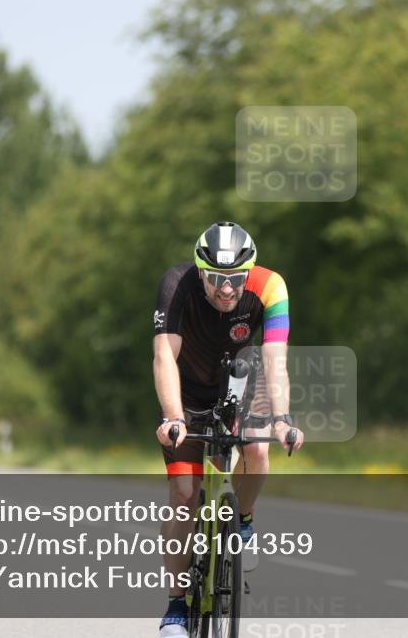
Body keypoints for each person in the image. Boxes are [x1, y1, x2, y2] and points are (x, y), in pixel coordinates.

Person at [153, 221, 303, 637]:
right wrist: (173, 418)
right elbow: (165, 357)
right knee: (184, 496)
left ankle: (244, 520)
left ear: (248, 273)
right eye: (216, 278)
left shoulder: (272, 286)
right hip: (185, 393)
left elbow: (275, 357)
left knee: (257, 451)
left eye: (235, 279)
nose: (225, 289)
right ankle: (177, 606)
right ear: (201, 271)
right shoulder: (177, 284)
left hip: (240, 381)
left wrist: (283, 417)